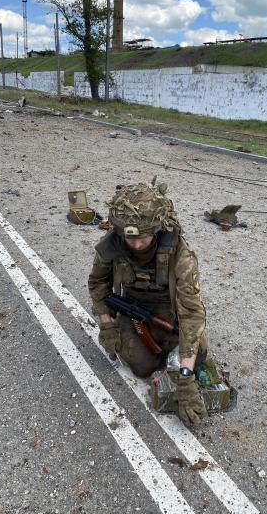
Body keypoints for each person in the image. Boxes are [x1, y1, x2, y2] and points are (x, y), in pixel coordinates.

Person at [88, 181, 208, 426]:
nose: (136, 244)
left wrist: (185, 379)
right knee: (142, 367)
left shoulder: (179, 255)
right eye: (130, 238)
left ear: (157, 228)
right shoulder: (111, 245)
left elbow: (192, 312)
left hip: (168, 312)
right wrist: (106, 324)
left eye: (143, 237)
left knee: (199, 349)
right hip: (132, 309)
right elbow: (98, 283)